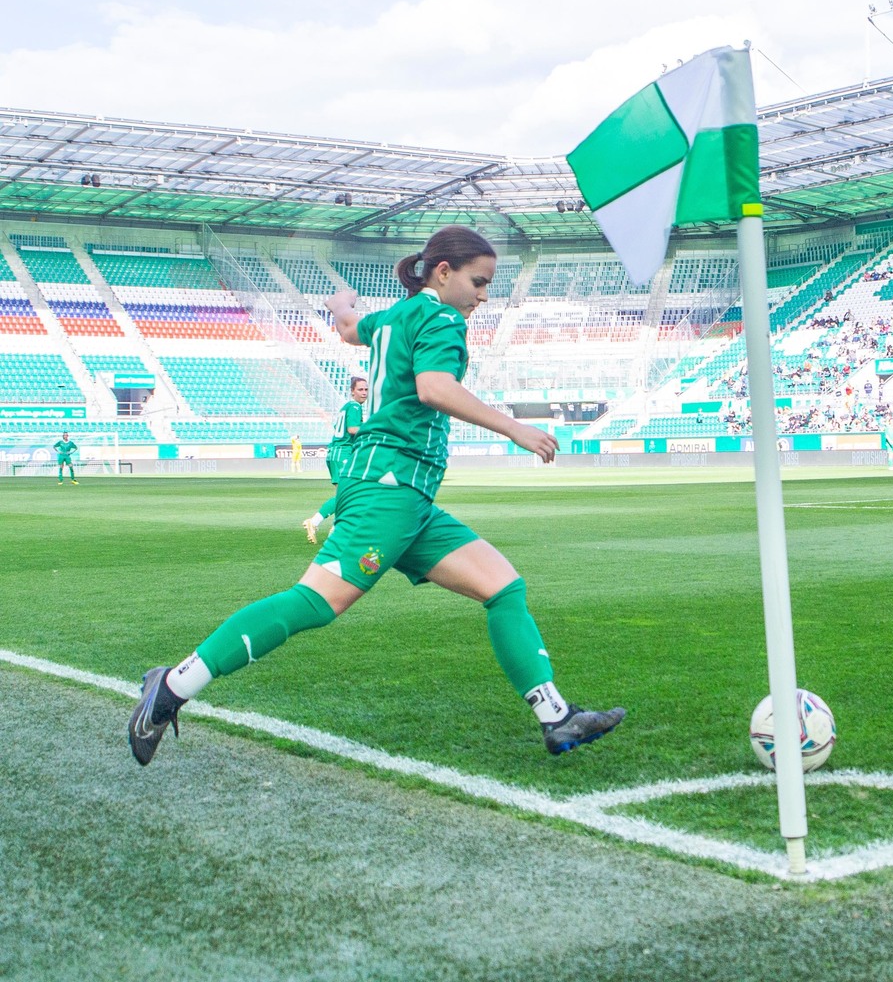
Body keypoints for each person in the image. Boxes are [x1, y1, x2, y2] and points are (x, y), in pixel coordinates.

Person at [129, 226, 625, 765]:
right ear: (444, 273)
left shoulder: (392, 317)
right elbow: (434, 387)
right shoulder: (441, 319)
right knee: (314, 603)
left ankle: (556, 716)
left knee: (504, 587)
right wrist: (514, 428)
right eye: (479, 282)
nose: (484, 296)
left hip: (406, 497)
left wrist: (340, 303)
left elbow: (348, 328)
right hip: (390, 489)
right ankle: (172, 686)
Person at [304, 375, 369, 543]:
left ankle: (334, 528)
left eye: (366, 389)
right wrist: (372, 427)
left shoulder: (345, 407)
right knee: (348, 494)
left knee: (347, 494)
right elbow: (353, 429)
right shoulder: (354, 406)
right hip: (342, 454)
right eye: (360, 389)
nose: (364, 392)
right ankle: (319, 523)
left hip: (336, 453)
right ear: (352, 391)